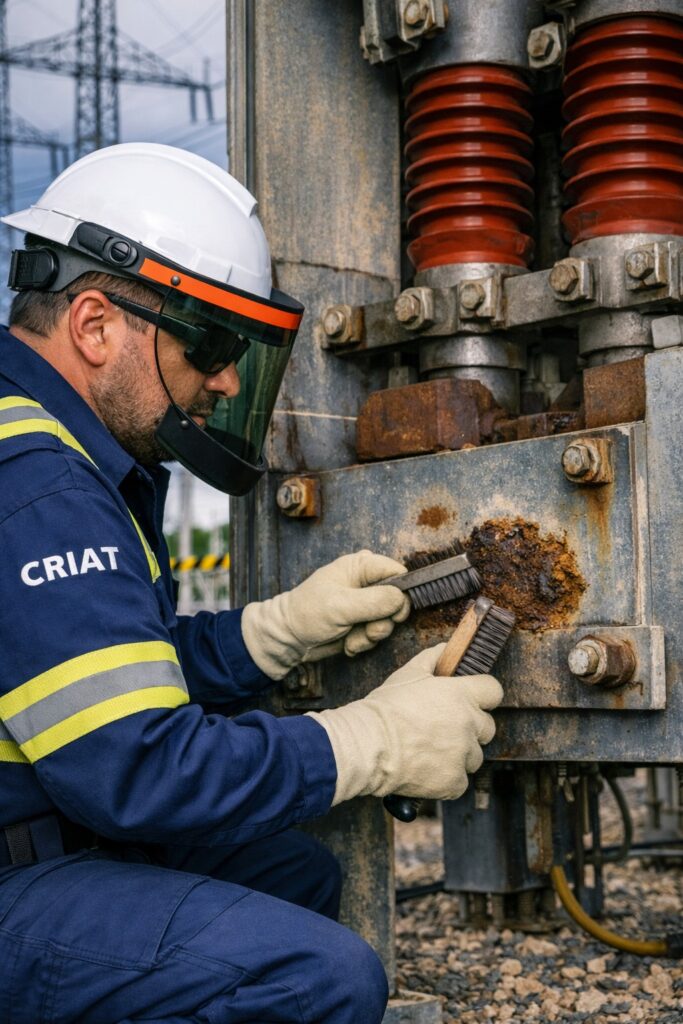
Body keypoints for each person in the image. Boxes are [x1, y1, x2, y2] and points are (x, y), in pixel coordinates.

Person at [0, 143, 503, 1024]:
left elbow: (94, 676)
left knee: (292, 869)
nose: (228, 379)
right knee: (317, 978)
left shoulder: (59, 445)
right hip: (21, 867)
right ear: (93, 324)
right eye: (212, 345)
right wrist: (363, 743)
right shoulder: (38, 483)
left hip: (39, 826)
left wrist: (270, 634)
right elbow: (135, 767)